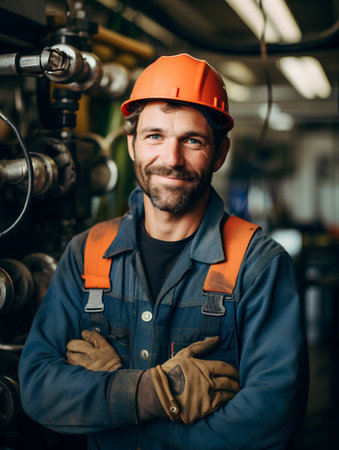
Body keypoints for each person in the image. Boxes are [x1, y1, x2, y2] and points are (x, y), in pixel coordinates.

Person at [19, 53, 309, 449]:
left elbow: (270, 420)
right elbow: (38, 387)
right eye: (154, 136)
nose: (171, 160)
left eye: (192, 141)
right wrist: (151, 392)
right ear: (132, 145)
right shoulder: (87, 254)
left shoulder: (257, 266)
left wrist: (114, 399)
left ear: (219, 154)